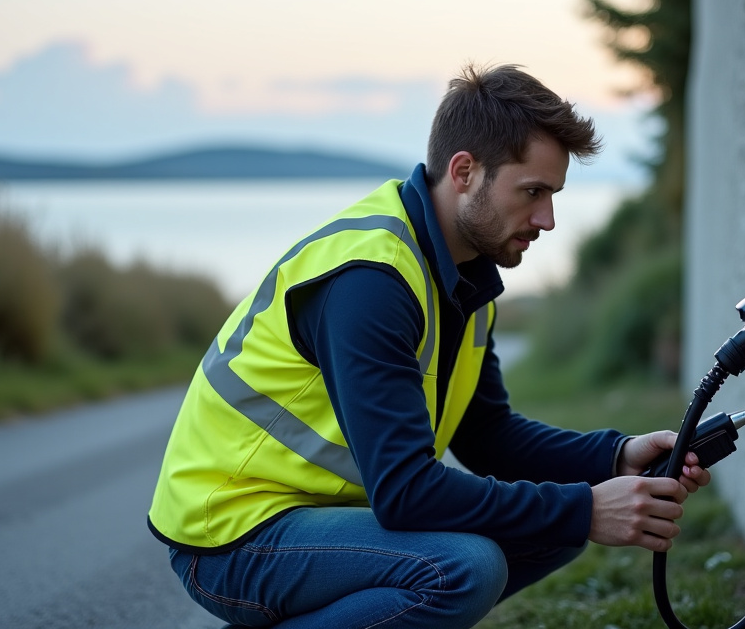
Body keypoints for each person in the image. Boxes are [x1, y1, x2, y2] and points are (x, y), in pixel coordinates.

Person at [148, 63, 711, 628]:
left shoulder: (464, 275)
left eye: (554, 195)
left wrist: (611, 457)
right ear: (464, 171)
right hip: (230, 533)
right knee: (465, 567)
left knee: (551, 532)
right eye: (533, 192)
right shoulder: (371, 281)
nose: (548, 219)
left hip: (319, 519)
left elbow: (486, 433)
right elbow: (406, 492)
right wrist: (585, 508)